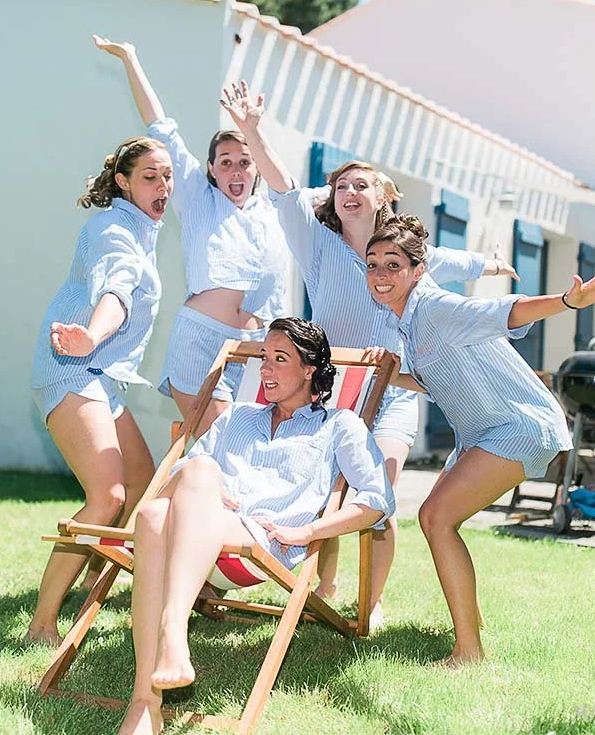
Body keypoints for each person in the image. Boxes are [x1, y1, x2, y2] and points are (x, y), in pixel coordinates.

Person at [220, 81, 518, 627]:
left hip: (395, 393)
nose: (349, 192)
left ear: (383, 197)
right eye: (340, 186)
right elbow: (286, 190)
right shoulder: (316, 244)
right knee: (322, 487)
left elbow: (450, 261)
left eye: (361, 184)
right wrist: (253, 132)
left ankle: (369, 602)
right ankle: (321, 585)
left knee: (376, 495)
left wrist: (493, 266)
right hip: (334, 391)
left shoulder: (400, 254)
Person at [364, 214, 595, 665]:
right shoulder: (410, 322)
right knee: (438, 519)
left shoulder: (433, 307)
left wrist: (570, 300)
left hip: (518, 425)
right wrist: (394, 373)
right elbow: (439, 382)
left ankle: (468, 651)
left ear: (417, 270)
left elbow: (505, 311)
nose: (381, 274)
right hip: (486, 432)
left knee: (436, 518)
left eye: (393, 264)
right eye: (372, 264)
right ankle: (471, 627)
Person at [117, 317, 394, 735]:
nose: (265, 369)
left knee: (189, 484)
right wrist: (205, 488)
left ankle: (172, 633)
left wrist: (308, 533)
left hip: (260, 546)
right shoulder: (237, 418)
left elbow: (378, 500)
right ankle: (145, 702)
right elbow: (182, 476)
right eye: (264, 358)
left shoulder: (339, 426)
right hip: (198, 533)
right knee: (161, 507)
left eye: (280, 359)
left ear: (310, 369)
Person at [94, 36, 292, 436]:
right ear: (211, 169)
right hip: (201, 342)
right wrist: (131, 57)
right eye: (226, 163)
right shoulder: (198, 198)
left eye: (245, 162)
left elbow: (289, 185)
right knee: (222, 442)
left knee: (248, 450)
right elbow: (158, 124)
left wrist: (251, 130)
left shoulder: (275, 208)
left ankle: (172, 489)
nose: (236, 171)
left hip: (258, 347)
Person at [23, 135, 171, 646]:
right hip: (72, 365)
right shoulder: (113, 228)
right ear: (123, 182)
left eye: (167, 175)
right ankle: (41, 624)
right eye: (150, 176)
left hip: (101, 374)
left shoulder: (142, 229)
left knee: (143, 482)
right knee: (107, 496)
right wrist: (93, 333)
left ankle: (94, 582)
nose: (163, 185)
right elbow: (117, 286)